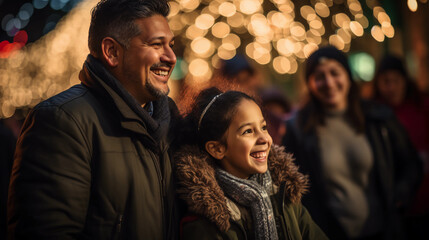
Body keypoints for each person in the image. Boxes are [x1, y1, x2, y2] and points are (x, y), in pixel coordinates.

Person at [8, 0, 179, 239]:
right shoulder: (63, 121)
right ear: (112, 52)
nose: (171, 57)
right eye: (156, 44)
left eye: (171, 44)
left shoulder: (171, 121)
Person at [282, 46, 422, 240]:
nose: (329, 82)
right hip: (330, 234)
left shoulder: (378, 118)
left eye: (334, 73)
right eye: (319, 76)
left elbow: (411, 164)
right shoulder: (298, 129)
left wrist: (400, 196)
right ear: (310, 83)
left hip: (385, 231)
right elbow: (290, 185)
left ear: (348, 76)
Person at [174, 87, 328, 239]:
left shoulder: (284, 193)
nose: (264, 139)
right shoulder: (207, 222)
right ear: (217, 149)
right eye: (248, 131)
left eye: (263, 127)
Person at [373, 54, 429, 239]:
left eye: (396, 80)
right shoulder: (373, 114)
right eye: (385, 81)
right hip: (394, 207)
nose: (391, 87)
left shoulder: (422, 106)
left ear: (405, 80)